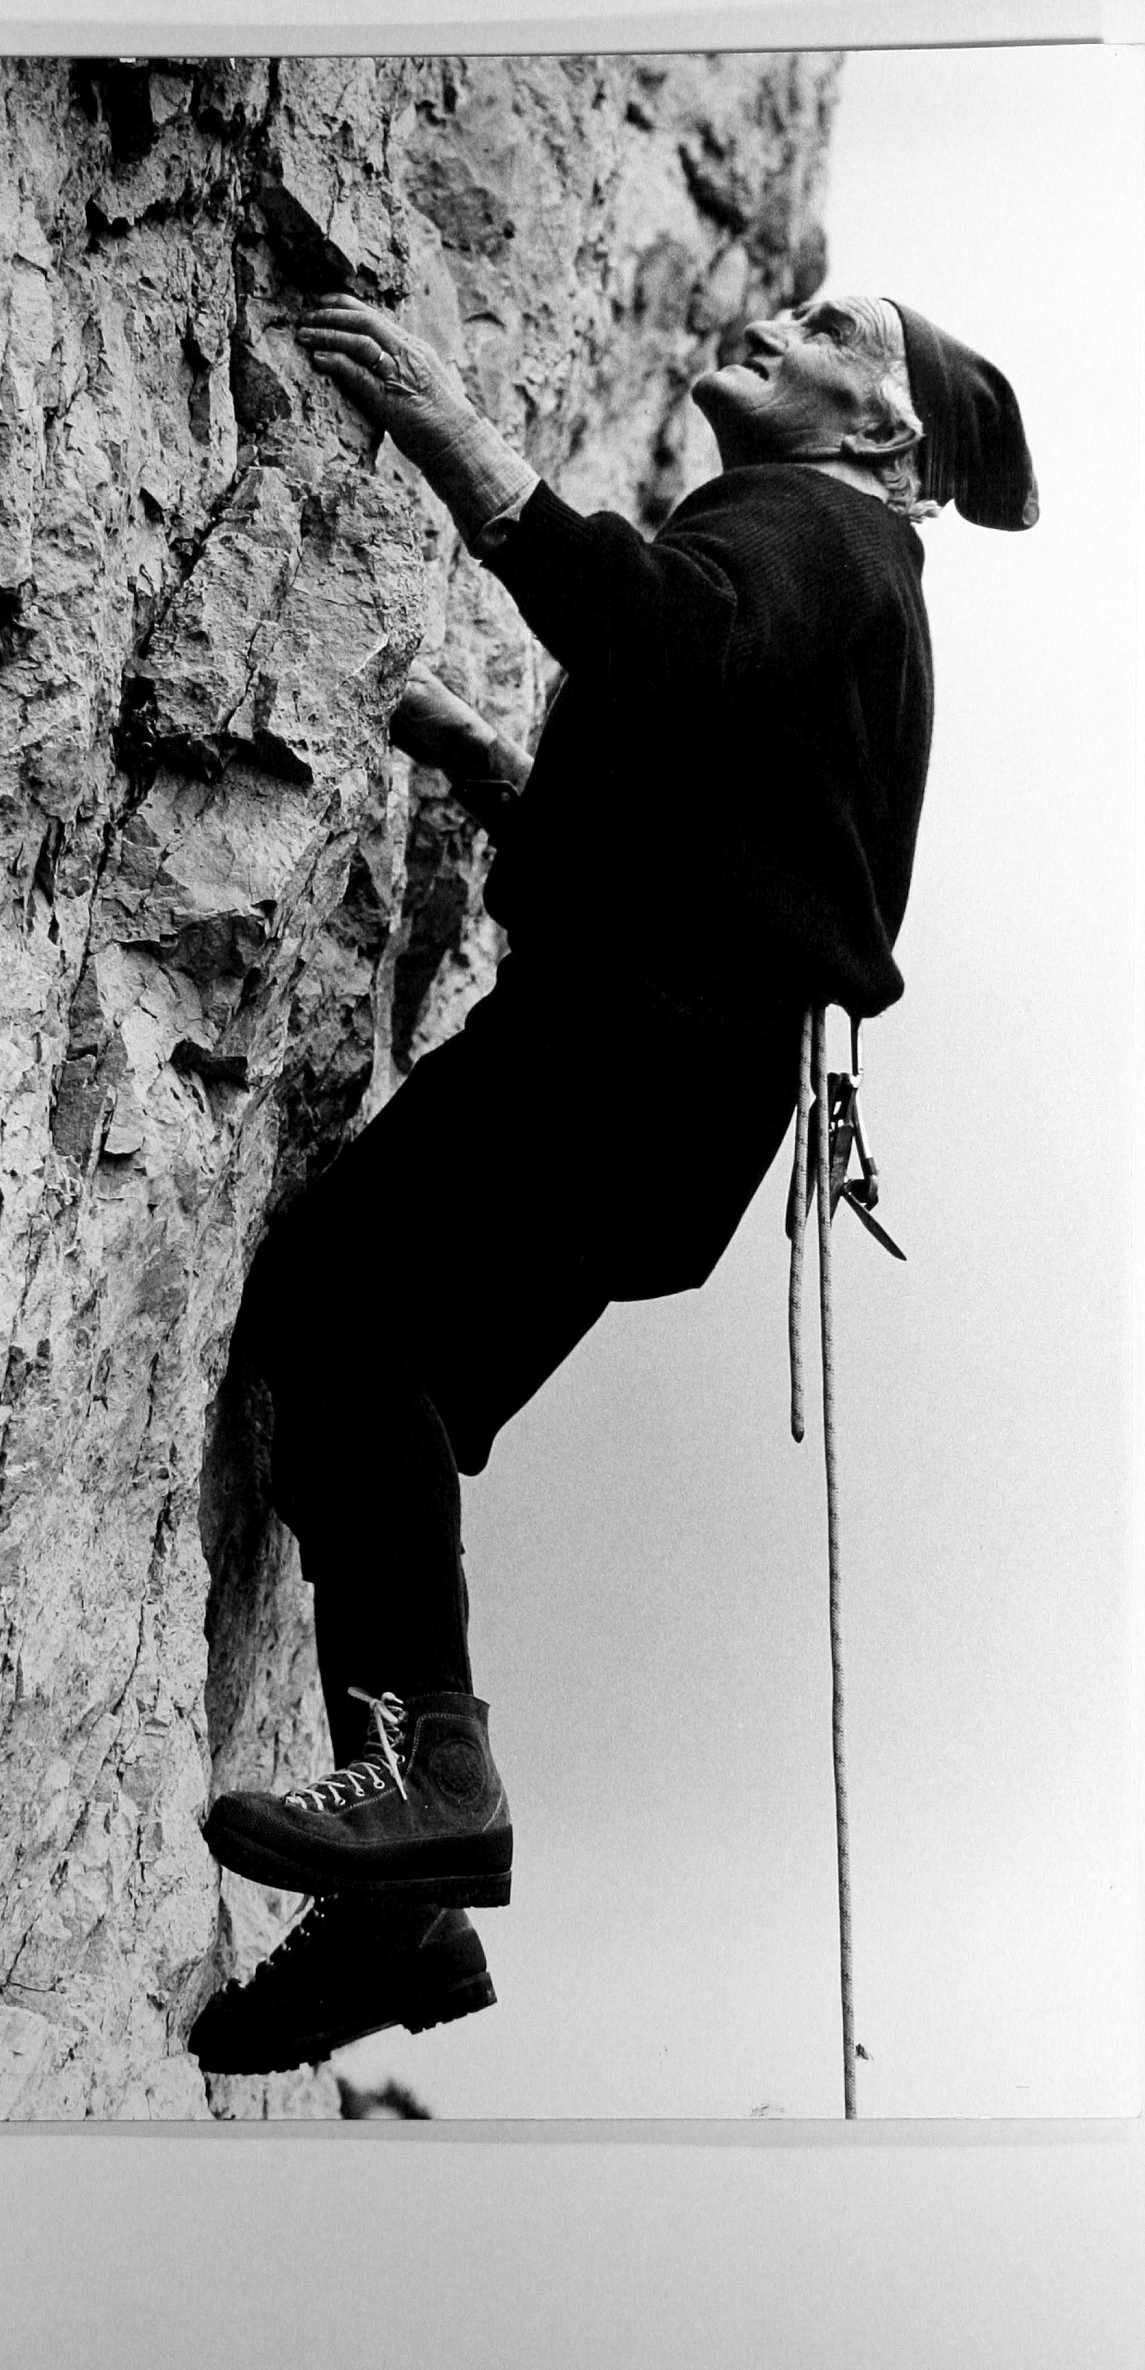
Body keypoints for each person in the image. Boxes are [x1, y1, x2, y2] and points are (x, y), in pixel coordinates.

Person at [188, 287, 1037, 2077]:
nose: (771, 321)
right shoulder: (858, 589)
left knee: (337, 1304)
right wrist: (497, 766)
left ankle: (432, 1782)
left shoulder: (818, 526)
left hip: (634, 1053)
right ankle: (404, 1905)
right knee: (380, 1398)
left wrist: (446, 428)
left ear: (882, 435)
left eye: (824, 327)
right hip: (683, 1089)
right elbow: (727, 819)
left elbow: (658, 641)